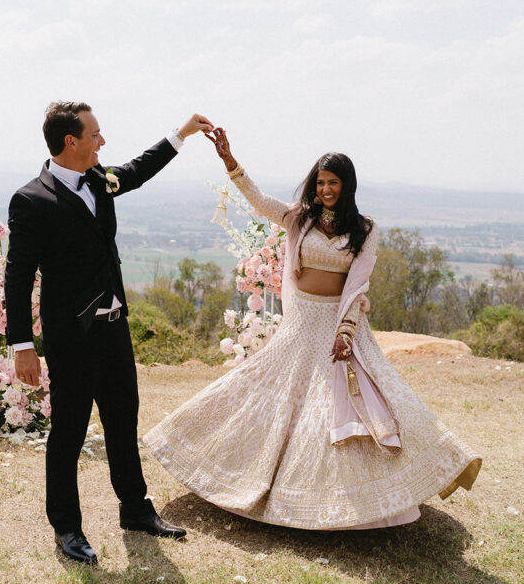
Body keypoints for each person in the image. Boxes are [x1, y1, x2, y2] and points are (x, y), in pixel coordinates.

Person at [144, 128, 482, 530]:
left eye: (332, 182)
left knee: (346, 405)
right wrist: (229, 161)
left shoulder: (366, 229)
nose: (325, 189)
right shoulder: (299, 220)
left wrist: (346, 333)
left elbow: (358, 286)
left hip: (338, 325)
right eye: (320, 182)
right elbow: (259, 201)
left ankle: (358, 503)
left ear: (346, 185)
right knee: (268, 394)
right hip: (300, 323)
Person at [4, 101, 214, 564]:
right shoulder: (30, 200)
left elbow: (137, 169)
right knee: (70, 432)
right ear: (70, 142)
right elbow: (17, 277)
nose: (103, 141)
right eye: (95, 134)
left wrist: (180, 135)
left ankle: (135, 511)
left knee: (123, 422)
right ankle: (67, 527)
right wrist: (23, 346)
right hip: (71, 339)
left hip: (115, 331)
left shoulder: (100, 180)